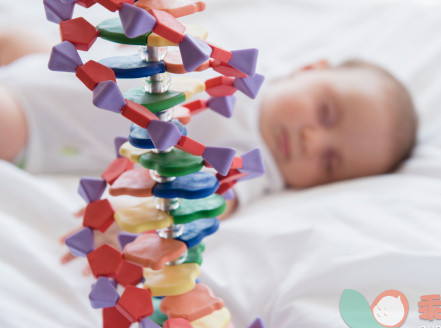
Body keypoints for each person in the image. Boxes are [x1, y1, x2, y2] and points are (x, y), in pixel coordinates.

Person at [0, 30, 417, 267]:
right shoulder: (250, 65)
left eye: (330, 162)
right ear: (311, 69)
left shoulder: (255, 164)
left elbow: (208, 201)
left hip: (42, 123)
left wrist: (136, 226)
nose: (313, 140)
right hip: (64, 67)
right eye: (326, 113)